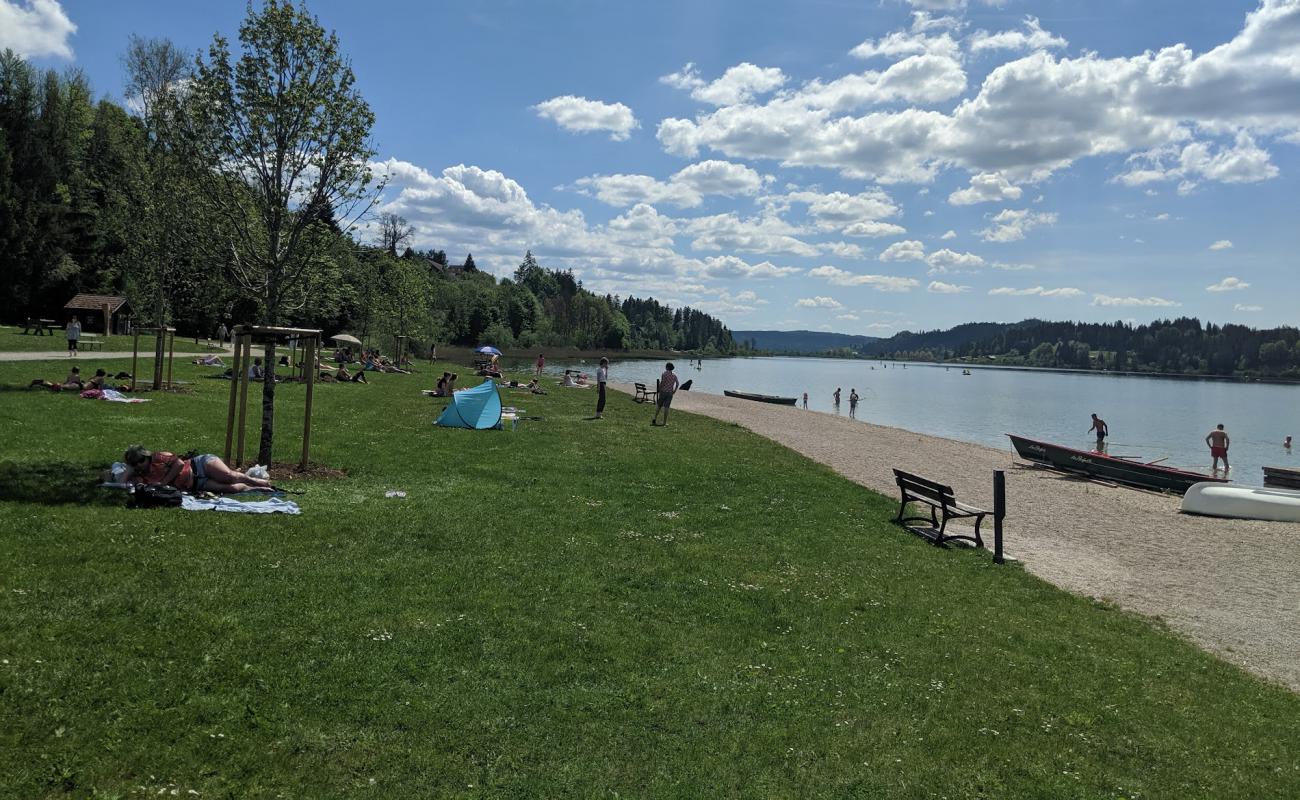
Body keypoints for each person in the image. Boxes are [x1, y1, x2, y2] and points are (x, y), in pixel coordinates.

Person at [124, 445, 273, 494]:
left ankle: (256, 481)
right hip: (195, 484)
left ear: (147, 456)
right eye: (135, 463)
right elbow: (121, 481)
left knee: (229, 476)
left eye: (141, 460)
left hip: (199, 465)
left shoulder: (159, 457)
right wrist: (130, 470)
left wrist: (163, 482)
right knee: (230, 489)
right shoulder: (141, 476)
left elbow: (180, 464)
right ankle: (255, 489)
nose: (139, 465)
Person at [651, 362, 679, 426]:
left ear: (667, 367)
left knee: (659, 405)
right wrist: (674, 391)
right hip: (670, 393)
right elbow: (677, 384)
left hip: (663, 392)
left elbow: (662, 382)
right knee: (667, 407)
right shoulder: (674, 375)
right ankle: (664, 422)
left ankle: (654, 418)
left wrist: (659, 389)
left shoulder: (664, 373)